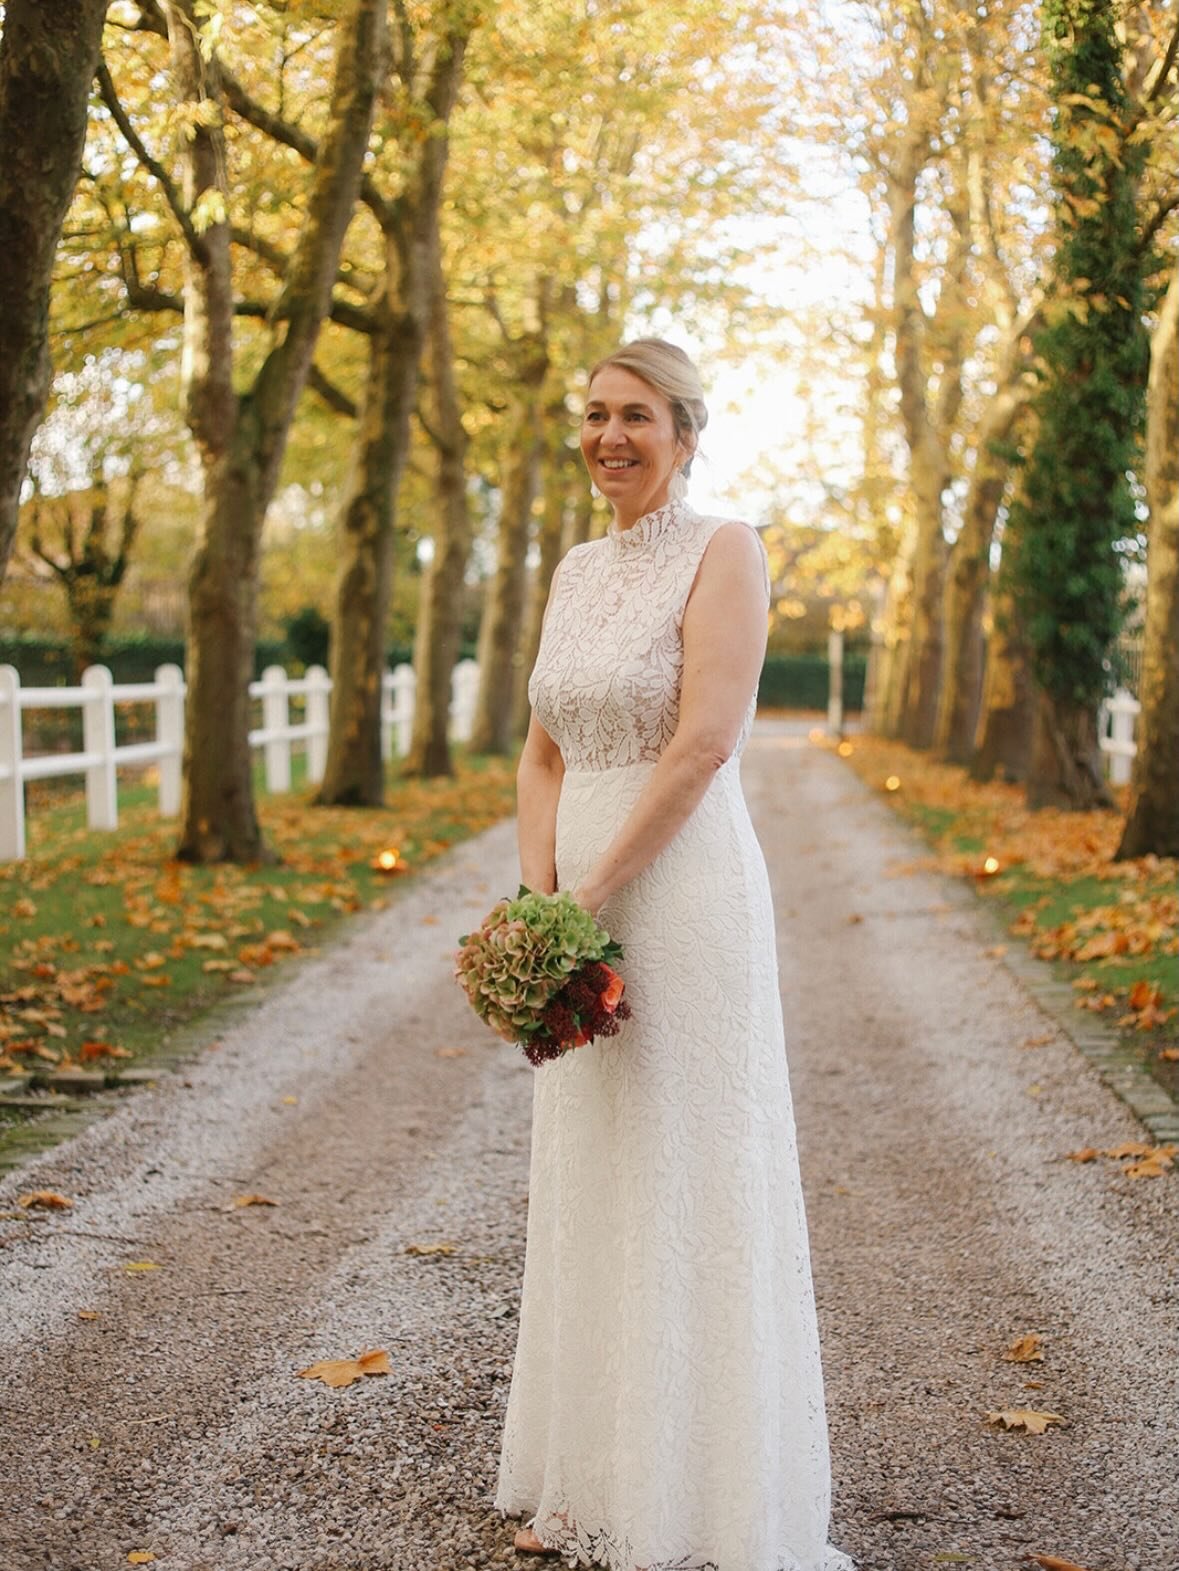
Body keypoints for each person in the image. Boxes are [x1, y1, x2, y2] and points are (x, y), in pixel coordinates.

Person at [492, 337, 853, 1571]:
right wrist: (540, 906)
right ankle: (593, 1475)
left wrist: (592, 893)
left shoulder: (725, 551)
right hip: (575, 894)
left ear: (686, 433)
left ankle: (696, 1488)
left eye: (636, 415)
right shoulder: (573, 569)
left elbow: (700, 746)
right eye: (593, 414)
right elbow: (542, 753)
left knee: (685, 1164)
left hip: (681, 888)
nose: (609, 436)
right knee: (594, 1162)